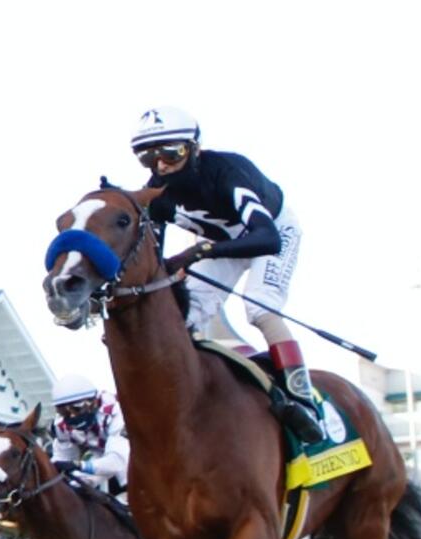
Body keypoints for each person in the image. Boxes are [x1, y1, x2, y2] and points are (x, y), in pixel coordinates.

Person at [130, 106, 325, 443]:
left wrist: (199, 252)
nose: (160, 165)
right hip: (221, 241)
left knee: (260, 307)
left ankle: (302, 400)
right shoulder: (156, 193)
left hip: (272, 231)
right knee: (184, 314)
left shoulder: (227, 172)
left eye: (170, 153)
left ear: (193, 149)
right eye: (148, 158)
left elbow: (267, 238)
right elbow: (155, 257)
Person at [49, 374, 129, 497]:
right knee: (74, 485)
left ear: (93, 401)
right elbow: (61, 460)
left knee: (126, 476)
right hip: (101, 454)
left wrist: (79, 465)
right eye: (64, 411)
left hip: (133, 454)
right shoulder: (61, 424)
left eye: (76, 409)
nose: (72, 416)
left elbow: (117, 462)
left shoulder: (117, 411)